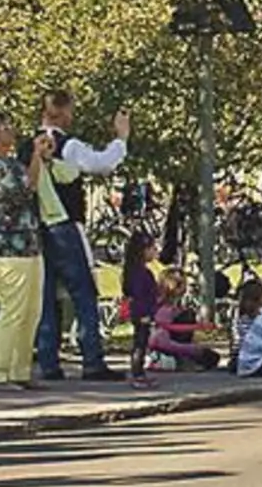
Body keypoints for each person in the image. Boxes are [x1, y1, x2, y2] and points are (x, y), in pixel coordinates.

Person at [24, 90, 131, 381]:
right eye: (70, 110)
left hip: (36, 229)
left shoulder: (25, 146)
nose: (73, 116)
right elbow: (101, 163)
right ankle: (92, 359)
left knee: (45, 295)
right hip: (64, 225)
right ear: (60, 110)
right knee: (83, 292)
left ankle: (48, 360)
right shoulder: (67, 145)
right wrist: (120, 138)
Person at [0, 112, 52, 391]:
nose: (11, 130)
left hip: (27, 245)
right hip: (7, 248)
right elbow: (23, 191)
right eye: (5, 128)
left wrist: (37, 157)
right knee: (13, 310)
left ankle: (20, 370)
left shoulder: (11, 163)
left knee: (31, 311)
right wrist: (36, 157)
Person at [149, 268, 220, 371]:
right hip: (167, 347)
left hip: (174, 344)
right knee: (206, 355)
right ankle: (176, 361)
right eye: (182, 284)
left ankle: (182, 361)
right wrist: (197, 328)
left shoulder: (177, 306)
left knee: (210, 355)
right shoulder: (165, 308)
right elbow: (168, 331)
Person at [120, 231, 160, 389]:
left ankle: (139, 372)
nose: (155, 251)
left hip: (145, 311)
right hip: (142, 312)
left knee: (142, 342)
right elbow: (138, 295)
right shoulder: (140, 273)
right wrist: (144, 313)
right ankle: (137, 373)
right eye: (152, 248)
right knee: (140, 344)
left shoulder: (138, 271)